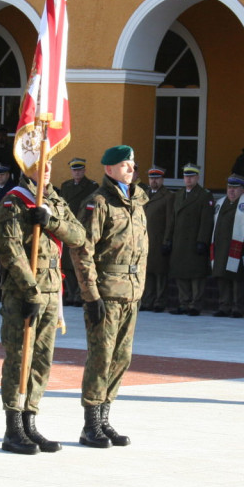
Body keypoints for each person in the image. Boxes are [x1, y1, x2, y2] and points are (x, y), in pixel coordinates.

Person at [0, 159, 86, 454]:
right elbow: (10, 251)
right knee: (20, 359)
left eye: (49, 163)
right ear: (25, 165)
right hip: (24, 294)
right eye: (39, 164)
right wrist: (31, 291)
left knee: (42, 360)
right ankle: (13, 428)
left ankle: (30, 421)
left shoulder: (54, 199)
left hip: (52, 291)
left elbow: (78, 236)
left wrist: (51, 221)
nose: (46, 168)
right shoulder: (13, 201)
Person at [70, 145, 148, 448]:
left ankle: (104, 417)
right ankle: (91, 424)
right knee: (101, 357)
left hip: (130, 292)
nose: (131, 169)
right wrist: (91, 295)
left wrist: (139, 286)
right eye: (125, 165)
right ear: (109, 169)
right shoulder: (98, 203)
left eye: (132, 164)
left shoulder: (137, 202)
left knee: (121, 357)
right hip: (106, 292)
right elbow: (83, 250)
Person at [164, 163, 215, 315]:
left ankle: (195, 304)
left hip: (194, 239)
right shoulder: (178, 194)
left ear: (197, 177)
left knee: (196, 274)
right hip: (179, 240)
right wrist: (168, 239)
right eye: (186, 176)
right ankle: (184, 302)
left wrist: (202, 241)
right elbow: (172, 219)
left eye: (192, 176)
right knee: (181, 273)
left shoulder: (204, 195)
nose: (188, 179)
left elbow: (206, 221)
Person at [210, 174, 244, 318]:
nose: (231, 191)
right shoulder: (220, 203)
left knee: (237, 279)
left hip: (237, 248)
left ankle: (238, 307)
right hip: (220, 247)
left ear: (242, 190)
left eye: (235, 188)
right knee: (222, 277)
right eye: (229, 187)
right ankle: (224, 306)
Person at [58, 157, 99, 306]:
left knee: (80, 262)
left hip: (82, 227)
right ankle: (70, 291)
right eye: (74, 170)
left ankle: (79, 294)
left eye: (80, 170)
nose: (77, 173)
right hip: (68, 227)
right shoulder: (66, 186)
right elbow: (61, 205)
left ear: (84, 170)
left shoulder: (91, 186)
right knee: (67, 264)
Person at [141, 166, 173, 312]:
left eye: (157, 178)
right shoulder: (144, 195)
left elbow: (169, 221)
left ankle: (160, 301)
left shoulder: (168, 196)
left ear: (162, 180)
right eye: (152, 178)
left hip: (159, 239)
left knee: (160, 273)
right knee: (147, 272)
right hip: (145, 241)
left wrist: (167, 241)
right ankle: (148, 300)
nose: (154, 181)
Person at [0, 164, 17, 299]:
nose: (0, 177)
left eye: (2, 175)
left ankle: (4, 291)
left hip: (7, 230)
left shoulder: (13, 191)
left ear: (8, 175)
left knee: (6, 261)